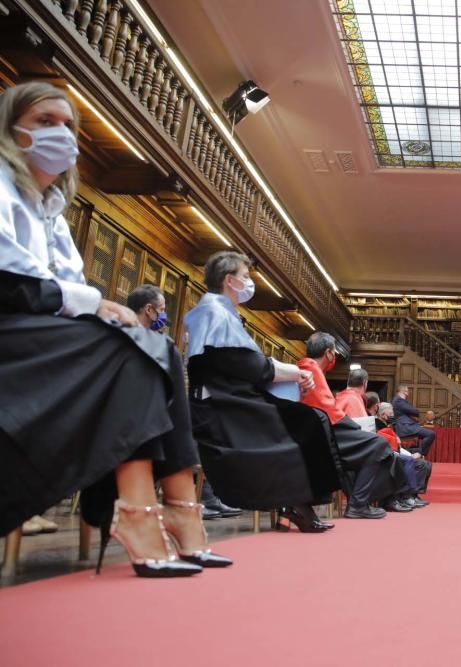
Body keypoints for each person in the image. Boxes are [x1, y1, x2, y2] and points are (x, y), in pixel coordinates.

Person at [0, 81, 228, 576]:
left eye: (68, 126)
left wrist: (87, 304)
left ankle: (176, 510)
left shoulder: (55, 211)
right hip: (12, 337)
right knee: (134, 352)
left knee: (159, 348)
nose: (60, 134)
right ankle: (145, 515)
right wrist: (92, 303)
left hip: (45, 335)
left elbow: (66, 286)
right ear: (12, 131)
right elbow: (13, 285)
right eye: (44, 122)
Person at [184, 251, 340, 531]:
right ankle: (295, 504)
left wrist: (290, 376)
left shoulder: (224, 312)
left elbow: (247, 366)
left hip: (232, 399)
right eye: (245, 277)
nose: (248, 283)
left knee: (309, 420)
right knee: (303, 422)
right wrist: (295, 373)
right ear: (230, 281)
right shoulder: (213, 312)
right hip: (218, 408)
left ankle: (298, 504)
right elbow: (251, 366)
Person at [128, 284, 242, 521]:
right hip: (138, 413)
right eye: (161, 309)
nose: (164, 315)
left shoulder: (162, 341)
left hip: (159, 408)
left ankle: (203, 498)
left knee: (199, 436)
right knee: (193, 436)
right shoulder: (133, 337)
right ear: (149, 310)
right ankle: (194, 500)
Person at [297, 332, 410, 518]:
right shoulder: (311, 369)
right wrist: (355, 428)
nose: (335, 355)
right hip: (325, 434)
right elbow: (328, 410)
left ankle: (361, 501)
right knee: (378, 444)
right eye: (334, 351)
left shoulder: (306, 367)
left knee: (371, 446)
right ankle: (358, 504)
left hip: (319, 432)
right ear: (328, 353)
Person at [376, 402, 431, 507]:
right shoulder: (377, 425)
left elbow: (399, 442)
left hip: (398, 451)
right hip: (387, 454)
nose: (393, 416)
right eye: (391, 413)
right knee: (411, 462)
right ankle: (406, 496)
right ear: (383, 415)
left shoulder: (391, 425)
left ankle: (413, 495)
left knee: (424, 464)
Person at [392, 385, 436, 455]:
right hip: (405, 427)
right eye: (407, 391)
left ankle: (418, 452)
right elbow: (413, 411)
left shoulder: (398, 400)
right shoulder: (399, 400)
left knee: (430, 434)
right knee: (430, 434)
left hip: (407, 426)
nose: (408, 393)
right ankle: (420, 453)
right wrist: (416, 413)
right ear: (405, 392)